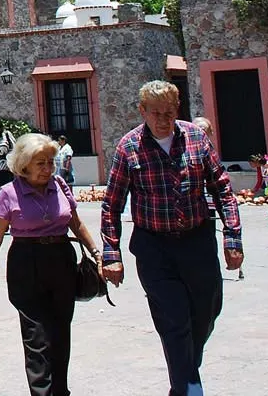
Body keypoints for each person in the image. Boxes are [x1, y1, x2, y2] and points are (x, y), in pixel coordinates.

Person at [101, 80, 242, 396]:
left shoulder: (196, 138)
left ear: (177, 109)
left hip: (197, 241)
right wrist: (111, 254)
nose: (163, 120)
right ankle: (189, 388)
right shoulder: (129, 147)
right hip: (154, 248)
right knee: (174, 319)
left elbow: (222, 188)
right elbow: (111, 203)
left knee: (205, 313)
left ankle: (185, 375)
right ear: (142, 111)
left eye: (169, 112)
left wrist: (232, 238)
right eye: (155, 113)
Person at [0, 133, 100, 396]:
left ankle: (60, 391)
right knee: (36, 337)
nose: (48, 168)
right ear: (24, 165)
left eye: (50, 162)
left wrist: (96, 252)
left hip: (61, 259)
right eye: (40, 163)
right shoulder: (8, 193)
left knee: (60, 331)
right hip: (26, 262)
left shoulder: (59, 185)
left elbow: (76, 223)